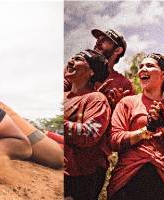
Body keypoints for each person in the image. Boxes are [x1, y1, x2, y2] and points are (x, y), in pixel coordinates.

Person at [107, 53, 164, 199]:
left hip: (161, 177)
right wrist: (145, 130)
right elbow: (114, 140)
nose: (142, 69)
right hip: (127, 178)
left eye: (149, 65)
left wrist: (163, 125)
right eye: (141, 66)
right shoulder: (127, 103)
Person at [63, 49, 111, 200]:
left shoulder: (96, 99)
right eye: (71, 57)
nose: (70, 61)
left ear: (91, 71)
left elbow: (88, 135)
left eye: (78, 59)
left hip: (80, 179)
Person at [89, 29, 134, 107]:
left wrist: (117, 107)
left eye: (104, 39)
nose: (98, 41)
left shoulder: (124, 84)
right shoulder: (76, 67)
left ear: (118, 50)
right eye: (98, 38)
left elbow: (129, 114)